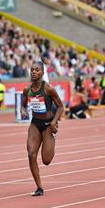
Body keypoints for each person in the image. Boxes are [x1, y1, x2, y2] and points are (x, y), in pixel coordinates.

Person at [21, 61, 64, 196]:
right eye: (32, 70)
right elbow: (23, 104)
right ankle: (39, 187)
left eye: (37, 70)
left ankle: (52, 137)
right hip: (35, 123)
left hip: (48, 125)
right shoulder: (27, 90)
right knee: (31, 154)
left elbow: (61, 107)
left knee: (46, 160)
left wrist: (54, 122)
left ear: (42, 72)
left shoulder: (48, 89)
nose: (34, 72)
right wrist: (23, 110)